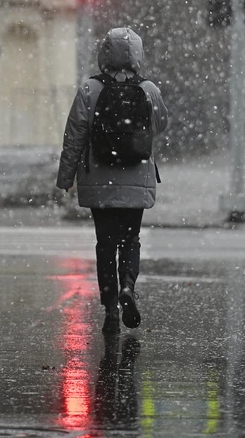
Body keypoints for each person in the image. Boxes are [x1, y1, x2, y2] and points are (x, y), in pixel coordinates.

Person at [56, 27, 169, 333]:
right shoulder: (148, 90)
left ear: (104, 54)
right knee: (130, 239)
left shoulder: (89, 90)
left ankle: (109, 308)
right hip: (137, 178)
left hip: (98, 179)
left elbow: (74, 139)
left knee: (105, 243)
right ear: (138, 55)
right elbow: (160, 124)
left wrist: (65, 178)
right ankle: (128, 288)